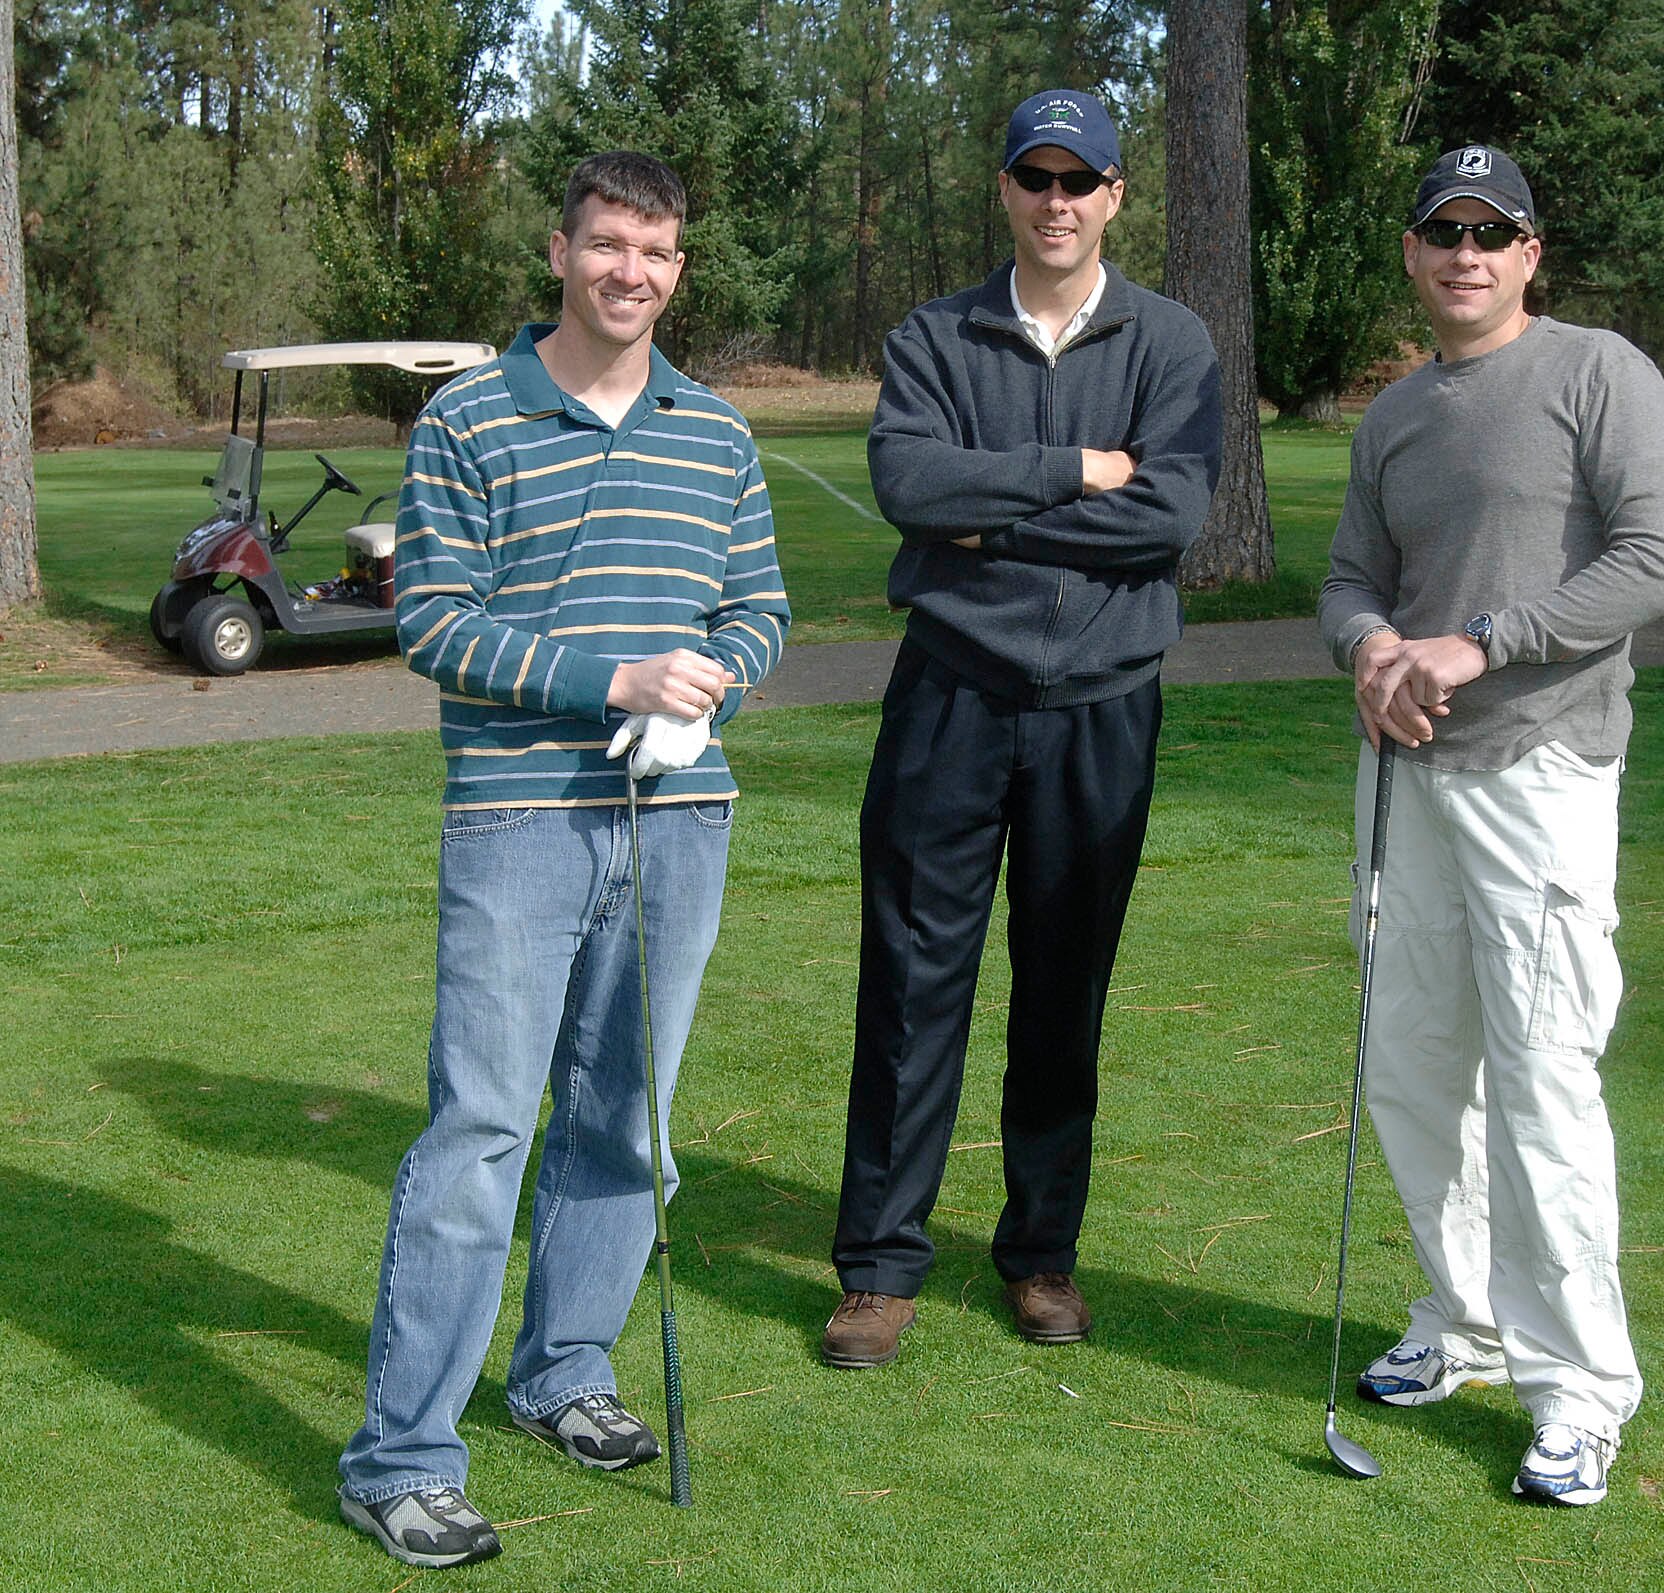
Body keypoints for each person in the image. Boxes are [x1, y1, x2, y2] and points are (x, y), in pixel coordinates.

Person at [336, 151, 789, 1568]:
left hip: (680, 815)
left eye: (654, 251)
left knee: (627, 1125)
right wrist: (616, 682)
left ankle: (562, 1370)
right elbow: (436, 623)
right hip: (517, 817)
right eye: (606, 244)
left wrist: (711, 683)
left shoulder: (716, 432)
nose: (628, 272)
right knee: (480, 1133)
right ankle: (401, 1459)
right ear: (559, 251)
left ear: (678, 268)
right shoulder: (470, 417)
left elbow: (759, 607)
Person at [1318, 145, 1664, 1506]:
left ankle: (1580, 1392)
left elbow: (1660, 560)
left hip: (1541, 774)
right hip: (1406, 779)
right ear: (1414, 253)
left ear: (1530, 253)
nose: (1466, 254)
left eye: (1493, 232)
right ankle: (1465, 1321)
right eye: (1445, 231)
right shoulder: (1395, 413)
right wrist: (1373, 646)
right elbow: (1351, 578)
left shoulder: (1599, 373)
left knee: (1542, 1083)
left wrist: (1482, 639)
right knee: (1413, 1071)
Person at [821, 89, 1223, 1367]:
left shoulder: (1170, 342)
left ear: (1114, 196)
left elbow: (1167, 519)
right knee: (910, 983)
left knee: (1063, 986)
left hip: (1100, 705)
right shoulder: (935, 336)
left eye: (1078, 180)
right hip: (948, 694)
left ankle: (1041, 1254)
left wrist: (982, 518)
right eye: (1035, 177)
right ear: (1003, 188)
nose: (1056, 201)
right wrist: (1070, 470)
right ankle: (880, 1267)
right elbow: (907, 483)